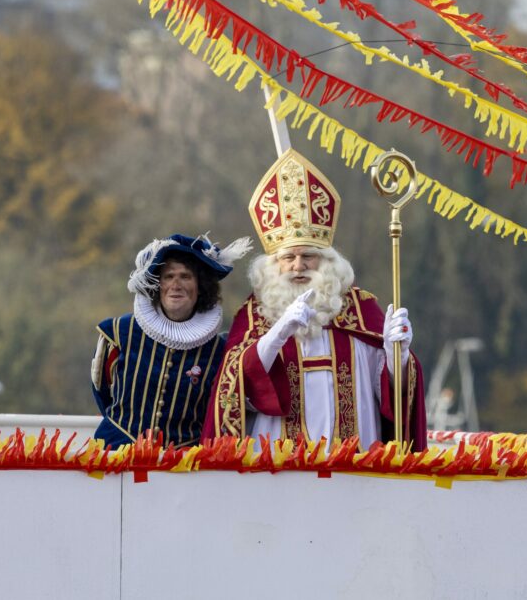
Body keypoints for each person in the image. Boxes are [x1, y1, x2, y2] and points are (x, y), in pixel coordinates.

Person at [202, 149, 427, 451]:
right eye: (288, 258)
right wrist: (278, 333)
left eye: (308, 256)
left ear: (328, 262)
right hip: (278, 475)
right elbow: (236, 394)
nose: (298, 266)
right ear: (273, 264)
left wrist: (395, 357)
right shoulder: (255, 314)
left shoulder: (360, 310)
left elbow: (392, 397)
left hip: (354, 469)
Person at [91, 233, 251, 448]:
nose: (176, 285)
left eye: (186, 277)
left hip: (184, 464)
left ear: (200, 287)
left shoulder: (219, 350)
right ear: (157, 284)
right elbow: (102, 392)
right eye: (168, 276)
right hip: (116, 452)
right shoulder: (119, 332)